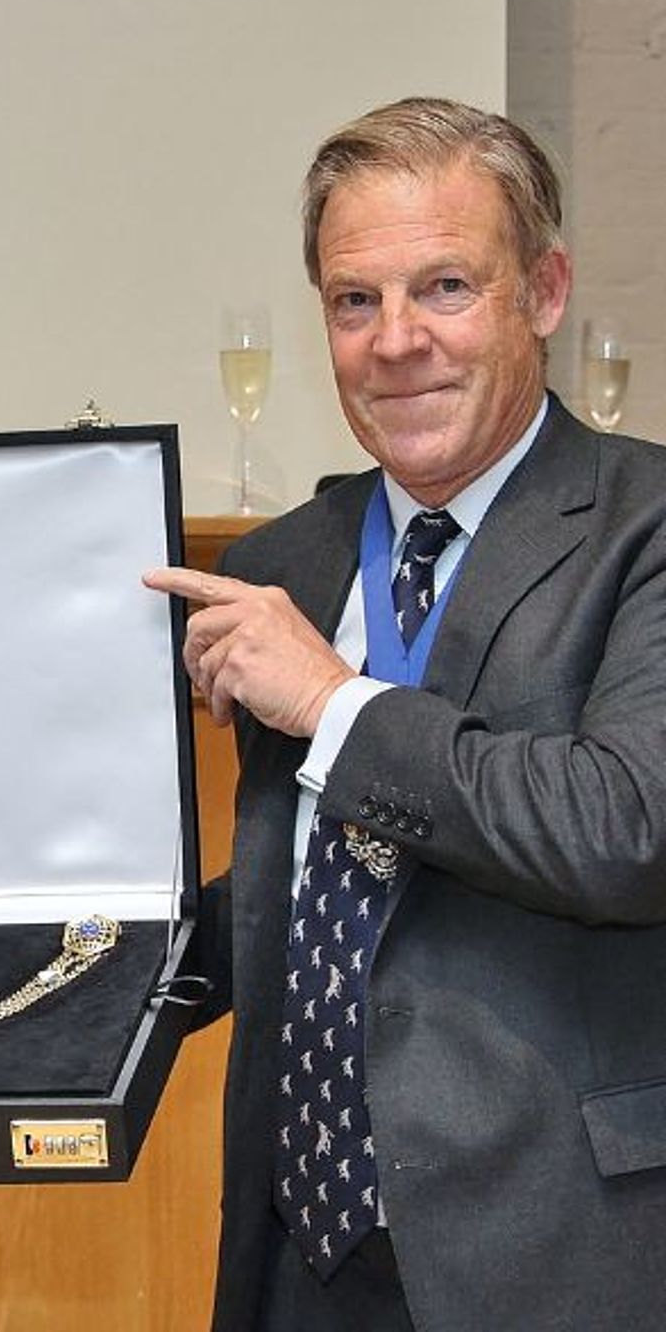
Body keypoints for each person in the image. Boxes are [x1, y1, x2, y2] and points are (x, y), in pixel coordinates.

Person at [147, 97, 666, 1330]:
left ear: (541, 291)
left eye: (443, 287)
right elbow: (312, 880)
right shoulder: (288, 559)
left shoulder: (644, 528)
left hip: (555, 1253)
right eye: (352, 301)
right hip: (294, 1257)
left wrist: (331, 699)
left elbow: (625, 827)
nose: (395, 341)